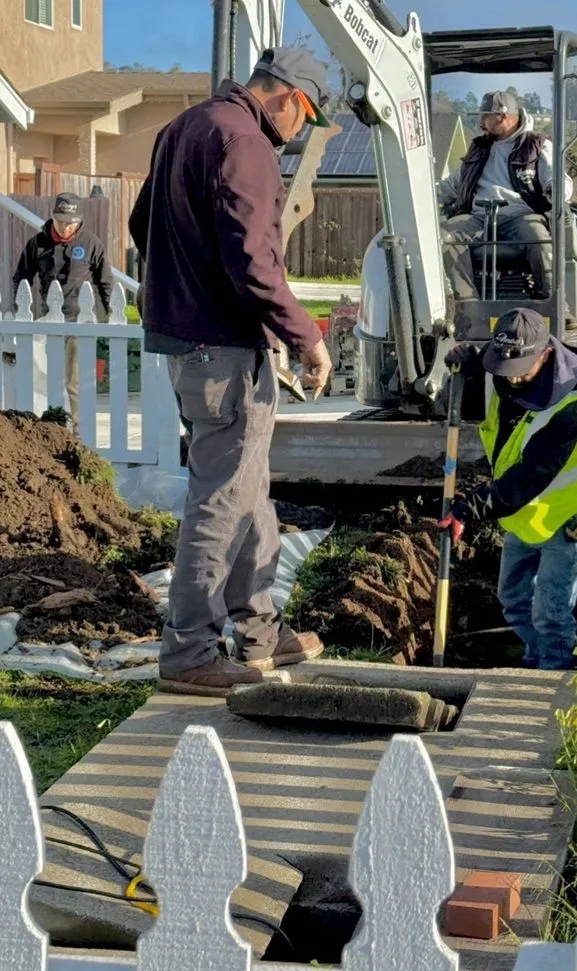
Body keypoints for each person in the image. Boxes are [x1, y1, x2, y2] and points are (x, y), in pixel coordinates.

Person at [129, 47, 334, 696]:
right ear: (289, 97)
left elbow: (140, 222)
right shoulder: (246, 143)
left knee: (247, 486)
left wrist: (184, 286)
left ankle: (259, 631)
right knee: (222, 498)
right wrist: (306, 336)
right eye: (306, 117)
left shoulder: (185, 127)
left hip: (189, 340)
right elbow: (255, 262)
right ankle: (190, 649)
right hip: (222, 348)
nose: (299, 132)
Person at [438, 308, 577, 671]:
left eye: (521, 371)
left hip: (564, 519)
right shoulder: (501, 366)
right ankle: (535, 656)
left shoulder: (572, 405)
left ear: (545, 353)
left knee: (551, 612)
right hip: (521, 517)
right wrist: (464, 370)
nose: (511, 379)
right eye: (505, 369)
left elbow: (530, 475)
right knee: (512, 599)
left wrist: (473, 506)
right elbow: (459, 402)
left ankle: (554, 673)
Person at [437, 91, 573, 308]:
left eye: (485, 116)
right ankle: (468, 308)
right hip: (479, 218)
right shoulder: (478, 149)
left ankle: (557, 307)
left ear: (504, 116)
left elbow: (559, 180)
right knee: (444, 236)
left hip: (521, 216)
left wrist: (555, 189)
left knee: (538, 238)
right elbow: (450, 186)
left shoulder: (537, 145)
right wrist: (426, 196)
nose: (481, 123)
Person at [12, 192, 114, 434]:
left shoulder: (91, 243)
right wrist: (21, 311)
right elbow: (21, 277)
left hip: (82, 321)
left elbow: (106, 282)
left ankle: (77, 432)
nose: (66, 227)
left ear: (79, 221)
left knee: (74, 382)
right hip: (50, 320)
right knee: (48, 379)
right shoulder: (37, 244)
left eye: (71, 223)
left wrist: (106, 318)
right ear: (53, 217)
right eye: (61, 222)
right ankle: (53, 427)